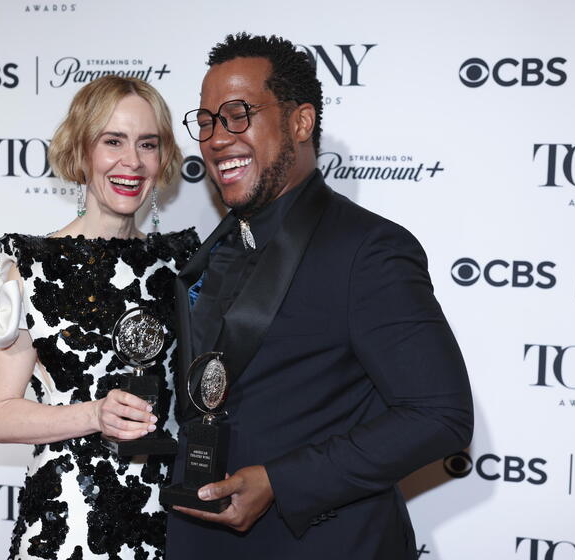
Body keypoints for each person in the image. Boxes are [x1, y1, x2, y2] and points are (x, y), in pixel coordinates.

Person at [166, 33, 473, 559]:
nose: (218, 138)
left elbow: (439, 415)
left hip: (320, 542)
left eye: (239, 114)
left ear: (300, 122)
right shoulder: (207, 252)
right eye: (208, 120)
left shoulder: (369, 250)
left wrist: (282, 481)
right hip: (199, 539)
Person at [0, 75, 199, 560]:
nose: (131, 161)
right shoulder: (30, 264)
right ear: (83, 150)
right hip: (69, 517)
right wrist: (94, 414)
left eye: (147, 144)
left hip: (171, 519)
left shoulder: (183, 262)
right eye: (113, 141)